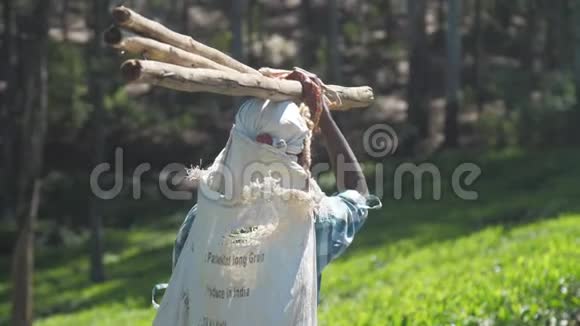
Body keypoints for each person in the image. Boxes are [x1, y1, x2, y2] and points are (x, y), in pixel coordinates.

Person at [171, 91, 381, 302]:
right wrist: (324, 118)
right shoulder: (310, 225)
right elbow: (358, 195)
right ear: (299, 157)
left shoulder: (201, 221)